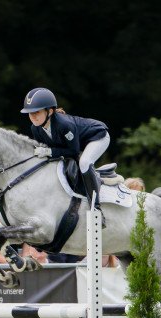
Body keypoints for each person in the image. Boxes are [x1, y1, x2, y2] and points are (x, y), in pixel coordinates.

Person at [20, 87, 110, 226]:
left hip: (97, 137)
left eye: (36, 112)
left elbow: (73, 152)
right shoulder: (35, 128)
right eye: (30, 113)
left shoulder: (64, 125)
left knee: (84, 163)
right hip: (77, 144)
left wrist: (49, 152)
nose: (32, 117)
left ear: (49, 111)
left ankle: (96, 209)